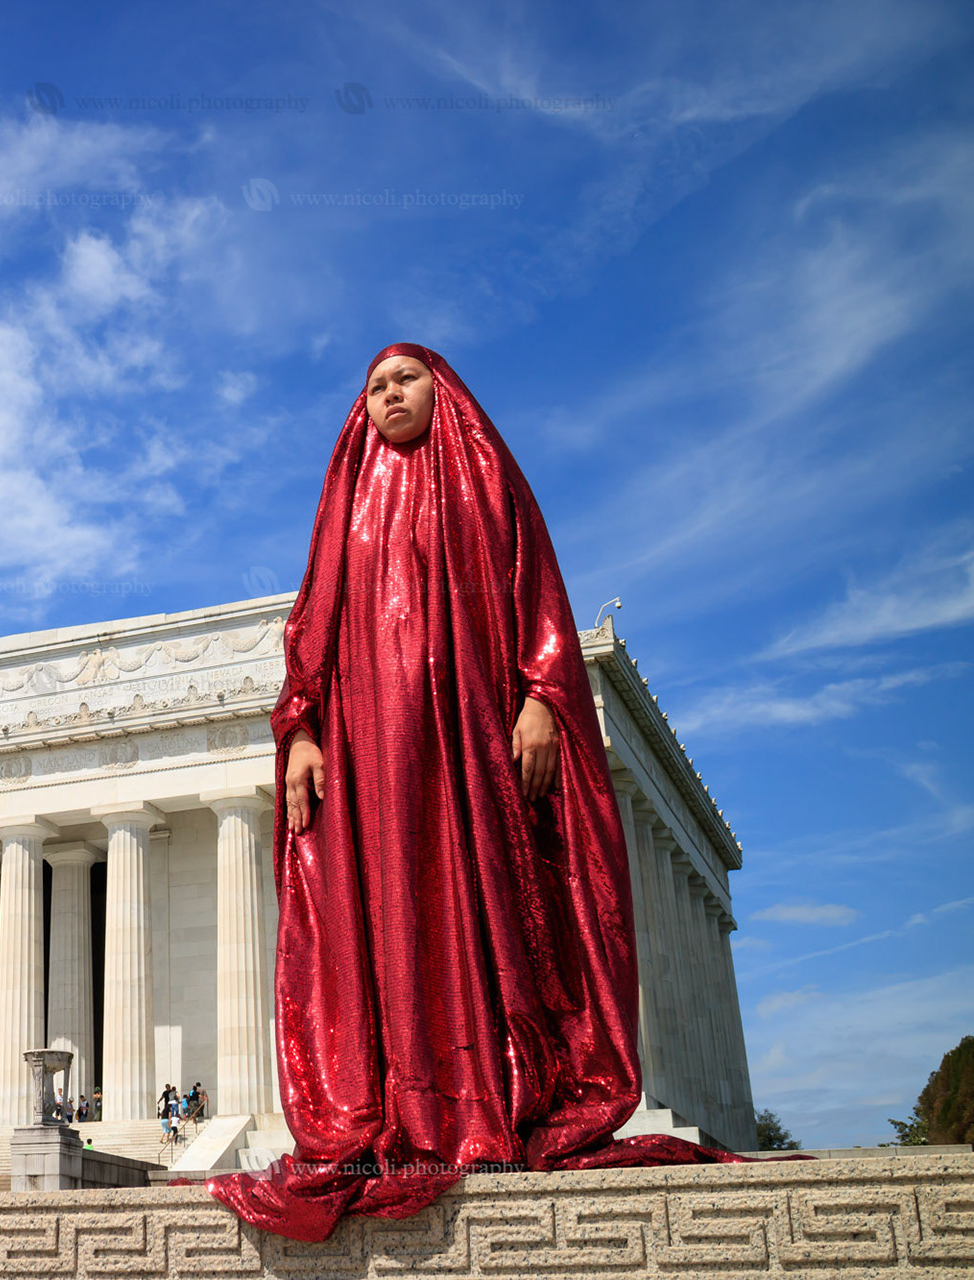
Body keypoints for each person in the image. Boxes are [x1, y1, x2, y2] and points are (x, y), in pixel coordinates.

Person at [205, 344, 747, 1244]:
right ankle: (404, 1118)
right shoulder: (345, 504)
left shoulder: (482, 476)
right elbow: (312, 629)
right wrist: (298, 729)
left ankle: (488, 1107)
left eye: (405, 379)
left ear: (442, 388)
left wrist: (544, 694)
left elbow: (536, 586)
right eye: (374, 387)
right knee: (384, 916)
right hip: (370, 750)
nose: (388, 397)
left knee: (481, 901)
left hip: (469, 739)